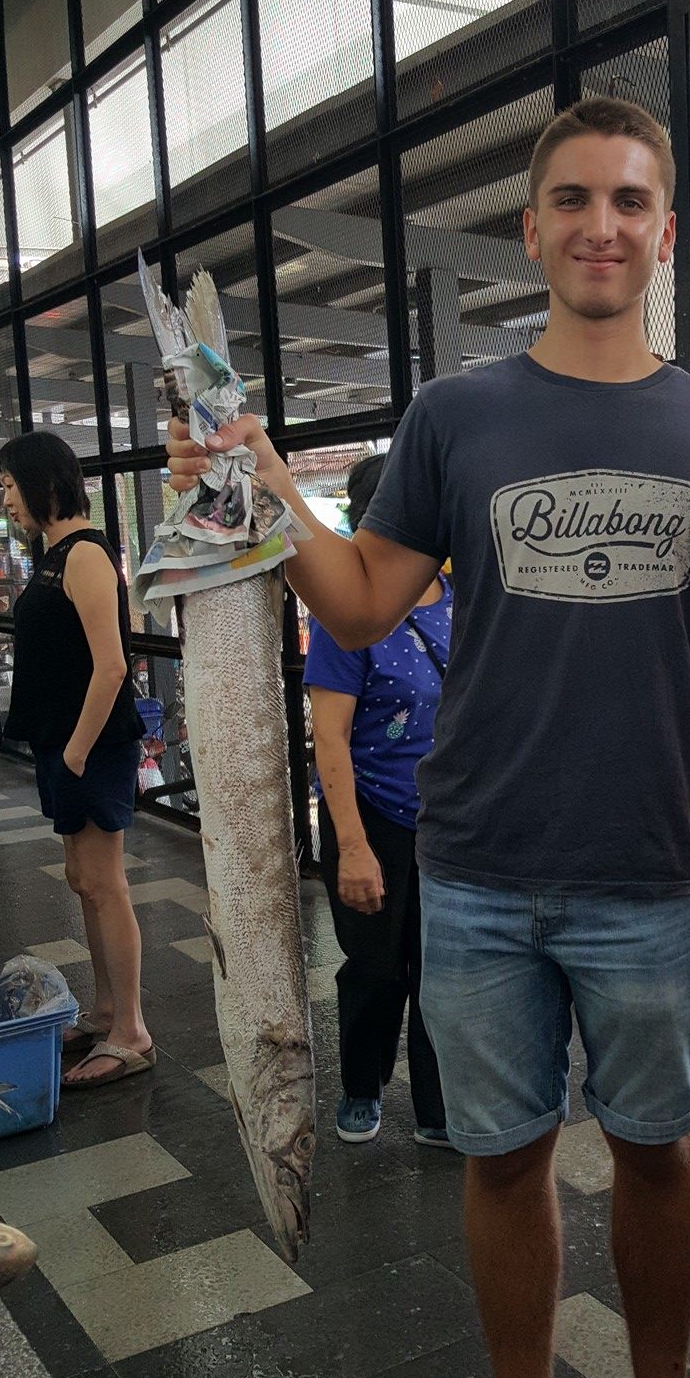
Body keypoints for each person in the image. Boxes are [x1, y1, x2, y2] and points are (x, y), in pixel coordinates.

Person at [168, 97, 690, 1378]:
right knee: (503, 1156)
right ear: (531, 233)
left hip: (655, 870)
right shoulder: (457, 419)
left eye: (631, 201)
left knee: (657, 1148)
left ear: (664, 232)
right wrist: (257, 488)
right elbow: (357, 599)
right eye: (574, 200)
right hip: (474, 873)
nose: (602, 224)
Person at [0, 432, 152, 1088]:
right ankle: (106, 1009)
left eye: (8, 486)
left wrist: (80, 752)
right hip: (66, 743)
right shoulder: (57, 554)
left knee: (105, 882)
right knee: (83, 880)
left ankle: (132, 1032)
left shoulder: (85, 554)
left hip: (90, 746)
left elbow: (112, 665)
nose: (5, 502)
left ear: (43, 483)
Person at [307, 454, 452, 1148]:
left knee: (441, 969)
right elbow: (329, 738)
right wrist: (353, 846)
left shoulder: (462, 600)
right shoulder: (345, 620)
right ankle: (361, 1089)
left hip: (450, 826)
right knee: (373, 966)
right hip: (371, 820)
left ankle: (437, 1108)